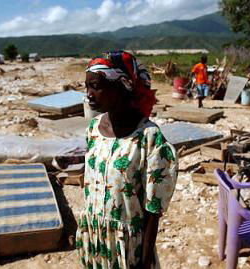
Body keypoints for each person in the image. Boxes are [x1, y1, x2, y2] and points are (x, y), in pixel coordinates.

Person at [75, 51, 178, 269]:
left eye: (96, 86)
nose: (89, 94)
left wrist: (145, 260)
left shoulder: (149, 138)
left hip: (128, 249)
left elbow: (153, 211)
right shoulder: (93, 129)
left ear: (122, 86)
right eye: (87, 87)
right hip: (95, 242)